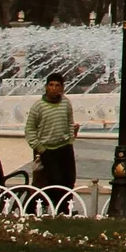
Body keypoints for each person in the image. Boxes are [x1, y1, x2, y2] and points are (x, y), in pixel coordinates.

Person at [25, 73, 77, 215]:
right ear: (46, 87)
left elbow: (69, 122)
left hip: (64, 148)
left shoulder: (66, 103)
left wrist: (70, 139)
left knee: (68, 180)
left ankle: (65, 210)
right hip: (46, 150)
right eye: (51, 85)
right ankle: (39, 209)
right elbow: (29, 130)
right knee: (50, 182)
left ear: (62, 88)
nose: (54, 88)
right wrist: (39, 148)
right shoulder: (38, 106)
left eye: (57, 85)